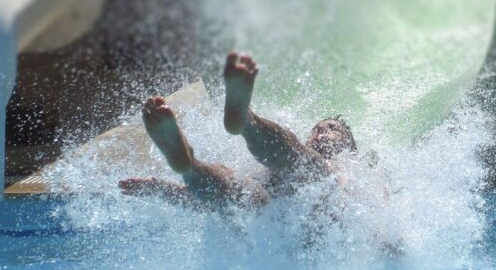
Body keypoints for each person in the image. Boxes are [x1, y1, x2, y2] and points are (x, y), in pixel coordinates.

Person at [119, 51, 357, 211]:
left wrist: (161, 191)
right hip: (271, 222)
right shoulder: (281, 164)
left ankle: (199, 159)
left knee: (313, 169)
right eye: (317, 128)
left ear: (350, 146)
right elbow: (214, 197)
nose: (321, 132)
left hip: (316, 215)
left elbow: (384, 221)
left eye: (332, 128)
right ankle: (236, 128)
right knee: (244, 192)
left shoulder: (357, 170)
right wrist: (170, 187)